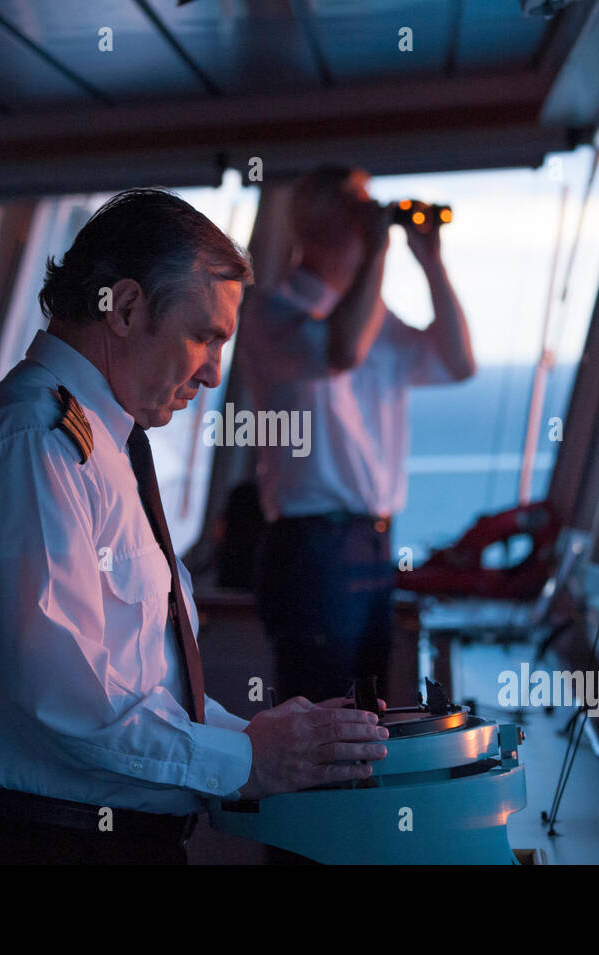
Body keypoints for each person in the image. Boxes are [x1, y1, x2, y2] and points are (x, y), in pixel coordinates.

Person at [0, 188, 389, 865]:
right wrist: (246, 758)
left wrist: (257, 736)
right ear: (126, 307)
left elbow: (135, 688)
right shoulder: (35, 444)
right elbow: (59, 695)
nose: (215, 372)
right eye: (205, 336)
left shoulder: (101, 445)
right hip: (48, 847)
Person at [241, 166, 477, 705]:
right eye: (357, 210)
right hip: (312, 544)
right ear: (318, 224)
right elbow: (342, 351)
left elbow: (459, 364)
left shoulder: (379, 321)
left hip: (372, 541)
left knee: (368, 713)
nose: (370, 223)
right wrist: (377, 253)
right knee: (325, 715)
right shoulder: (274, 313)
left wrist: (431, 261)